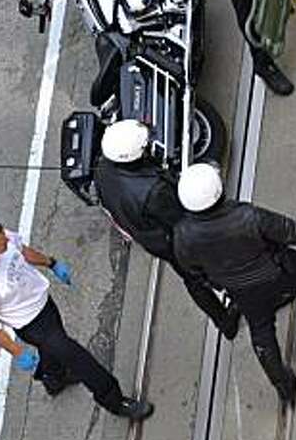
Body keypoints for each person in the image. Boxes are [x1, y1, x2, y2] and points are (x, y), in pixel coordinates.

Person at [172, 163, 296, 405]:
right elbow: (284, 229)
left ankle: (282, 384)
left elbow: (193, 271)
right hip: (279, 270)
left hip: (242, 290)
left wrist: (220, 283)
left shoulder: (183, 236)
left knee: (261, 331)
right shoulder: (246, 215)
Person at [0, 221, 153, 420]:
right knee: (78, 358)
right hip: (32, 325)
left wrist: (51, 263)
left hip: (45, 305)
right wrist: (18, 352)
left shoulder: (2, 237)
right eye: (2, 244)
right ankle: (114, 400)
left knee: (55, 350)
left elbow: (23, 251)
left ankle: (54, 377)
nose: (7, 242)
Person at [94, 119, 241, 338]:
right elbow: (184, 219)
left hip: (153, 239)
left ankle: (224, 322)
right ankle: (242, 292)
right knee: (215, 265)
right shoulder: (154, 192)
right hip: (175, 239)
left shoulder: (103, 170)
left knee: (191, 279)